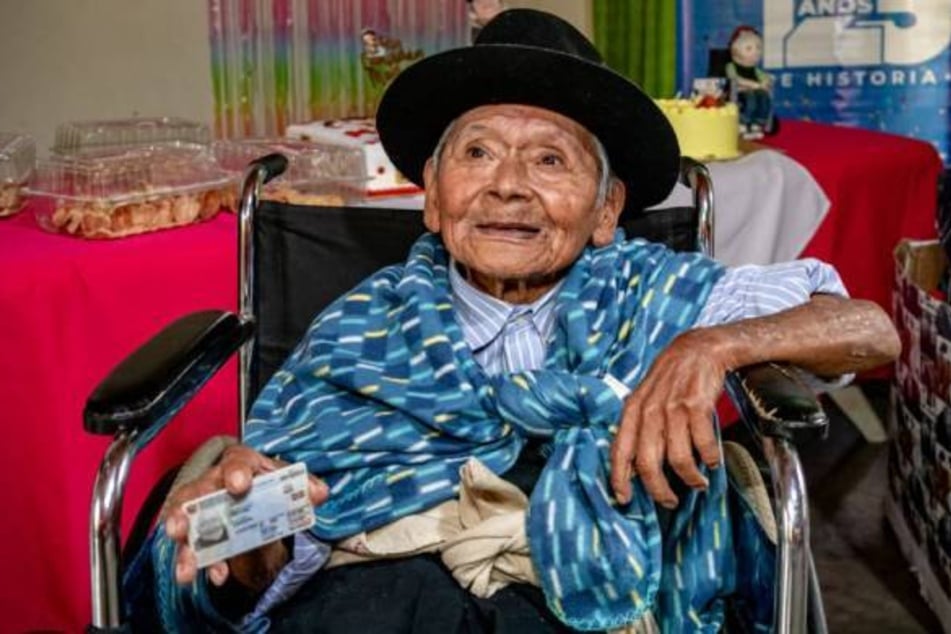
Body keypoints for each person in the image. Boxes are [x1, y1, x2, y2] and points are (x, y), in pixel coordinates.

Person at [152, 10, 899, 633]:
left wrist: (713, 345)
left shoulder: (655, 293)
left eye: (549, 161)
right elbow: (277, 547)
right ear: (434, 197)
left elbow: (869, 329)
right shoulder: (360, 331)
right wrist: (247, 541)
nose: (508, 186)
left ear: (606, 211)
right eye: (477, 153)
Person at [725, 26, 775, 138]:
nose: (755, 52)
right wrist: (753, 85)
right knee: (750, 98)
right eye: (749, 49)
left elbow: (763, 77)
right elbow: (735, 78)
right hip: (739, 92)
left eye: (758, 48)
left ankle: (757, 123)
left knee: (764, 97)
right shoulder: (731, 66)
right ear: (735, 51)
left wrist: (765, 82)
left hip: (756, 90)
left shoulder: (755, 70)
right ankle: (743, 122)